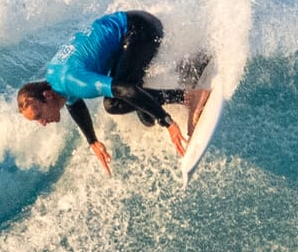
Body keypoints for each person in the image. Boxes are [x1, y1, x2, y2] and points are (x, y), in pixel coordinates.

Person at [16, 10, 208, 175]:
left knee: (114, 104)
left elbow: (125, 90)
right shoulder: (55, 82)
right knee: (146, 116)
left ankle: (189, 97)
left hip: (139, 30)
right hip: (129, 33)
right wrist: (93, 141)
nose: (42, 123)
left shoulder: (73, 81)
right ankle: (193, 65)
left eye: (39, 115)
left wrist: (168, 122)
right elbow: (74, 104)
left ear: (47, 96)